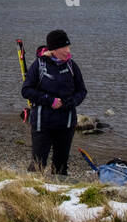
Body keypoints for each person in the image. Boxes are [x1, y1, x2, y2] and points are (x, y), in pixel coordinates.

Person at [20, 29, 87, 175]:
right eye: (65, 47)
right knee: (38, 164)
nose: (68, 51)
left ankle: (61, 194)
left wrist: (69, 102)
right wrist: (50, 101)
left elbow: (82, 91)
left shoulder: (72, 66)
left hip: (66, 124)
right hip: (42, 124)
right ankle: (28, 191)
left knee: (61, 166)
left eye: (69, 47)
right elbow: (26, 91)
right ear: (54, 49)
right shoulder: (39, 65)